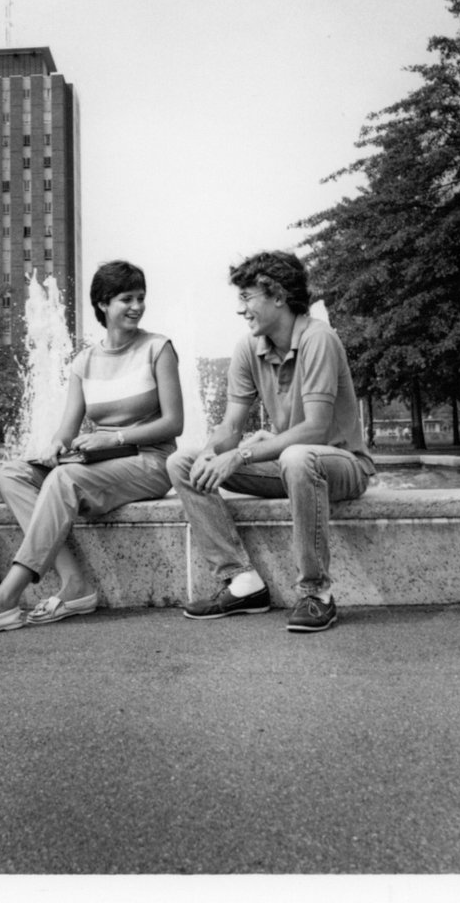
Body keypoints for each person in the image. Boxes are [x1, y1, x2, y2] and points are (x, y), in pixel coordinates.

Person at [0, 259, 183, 637]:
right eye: (126, 299)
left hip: (149, 461)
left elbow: (174, 423)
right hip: (97, 462)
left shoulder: (158, 348)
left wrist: (114, 438)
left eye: (140, 298)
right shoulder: (84, 361)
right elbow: (67, 430)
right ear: (103, 304)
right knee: (9, 474)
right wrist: (55, 446)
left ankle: (5, 598)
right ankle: (74, 584)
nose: (137, 306)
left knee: (65, 479)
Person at [169, 250, 375, 633]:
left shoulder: (318, 338)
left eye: (248, 297)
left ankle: (316, 594)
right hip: (290, 466)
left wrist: (242, 455)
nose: (242, 310)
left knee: (298, 457)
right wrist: (215, 452)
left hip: (341, 466)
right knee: (182, 462)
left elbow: (315, 429)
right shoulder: (250, 347)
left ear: (278, 296)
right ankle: (242, 581)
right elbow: (231, 424)